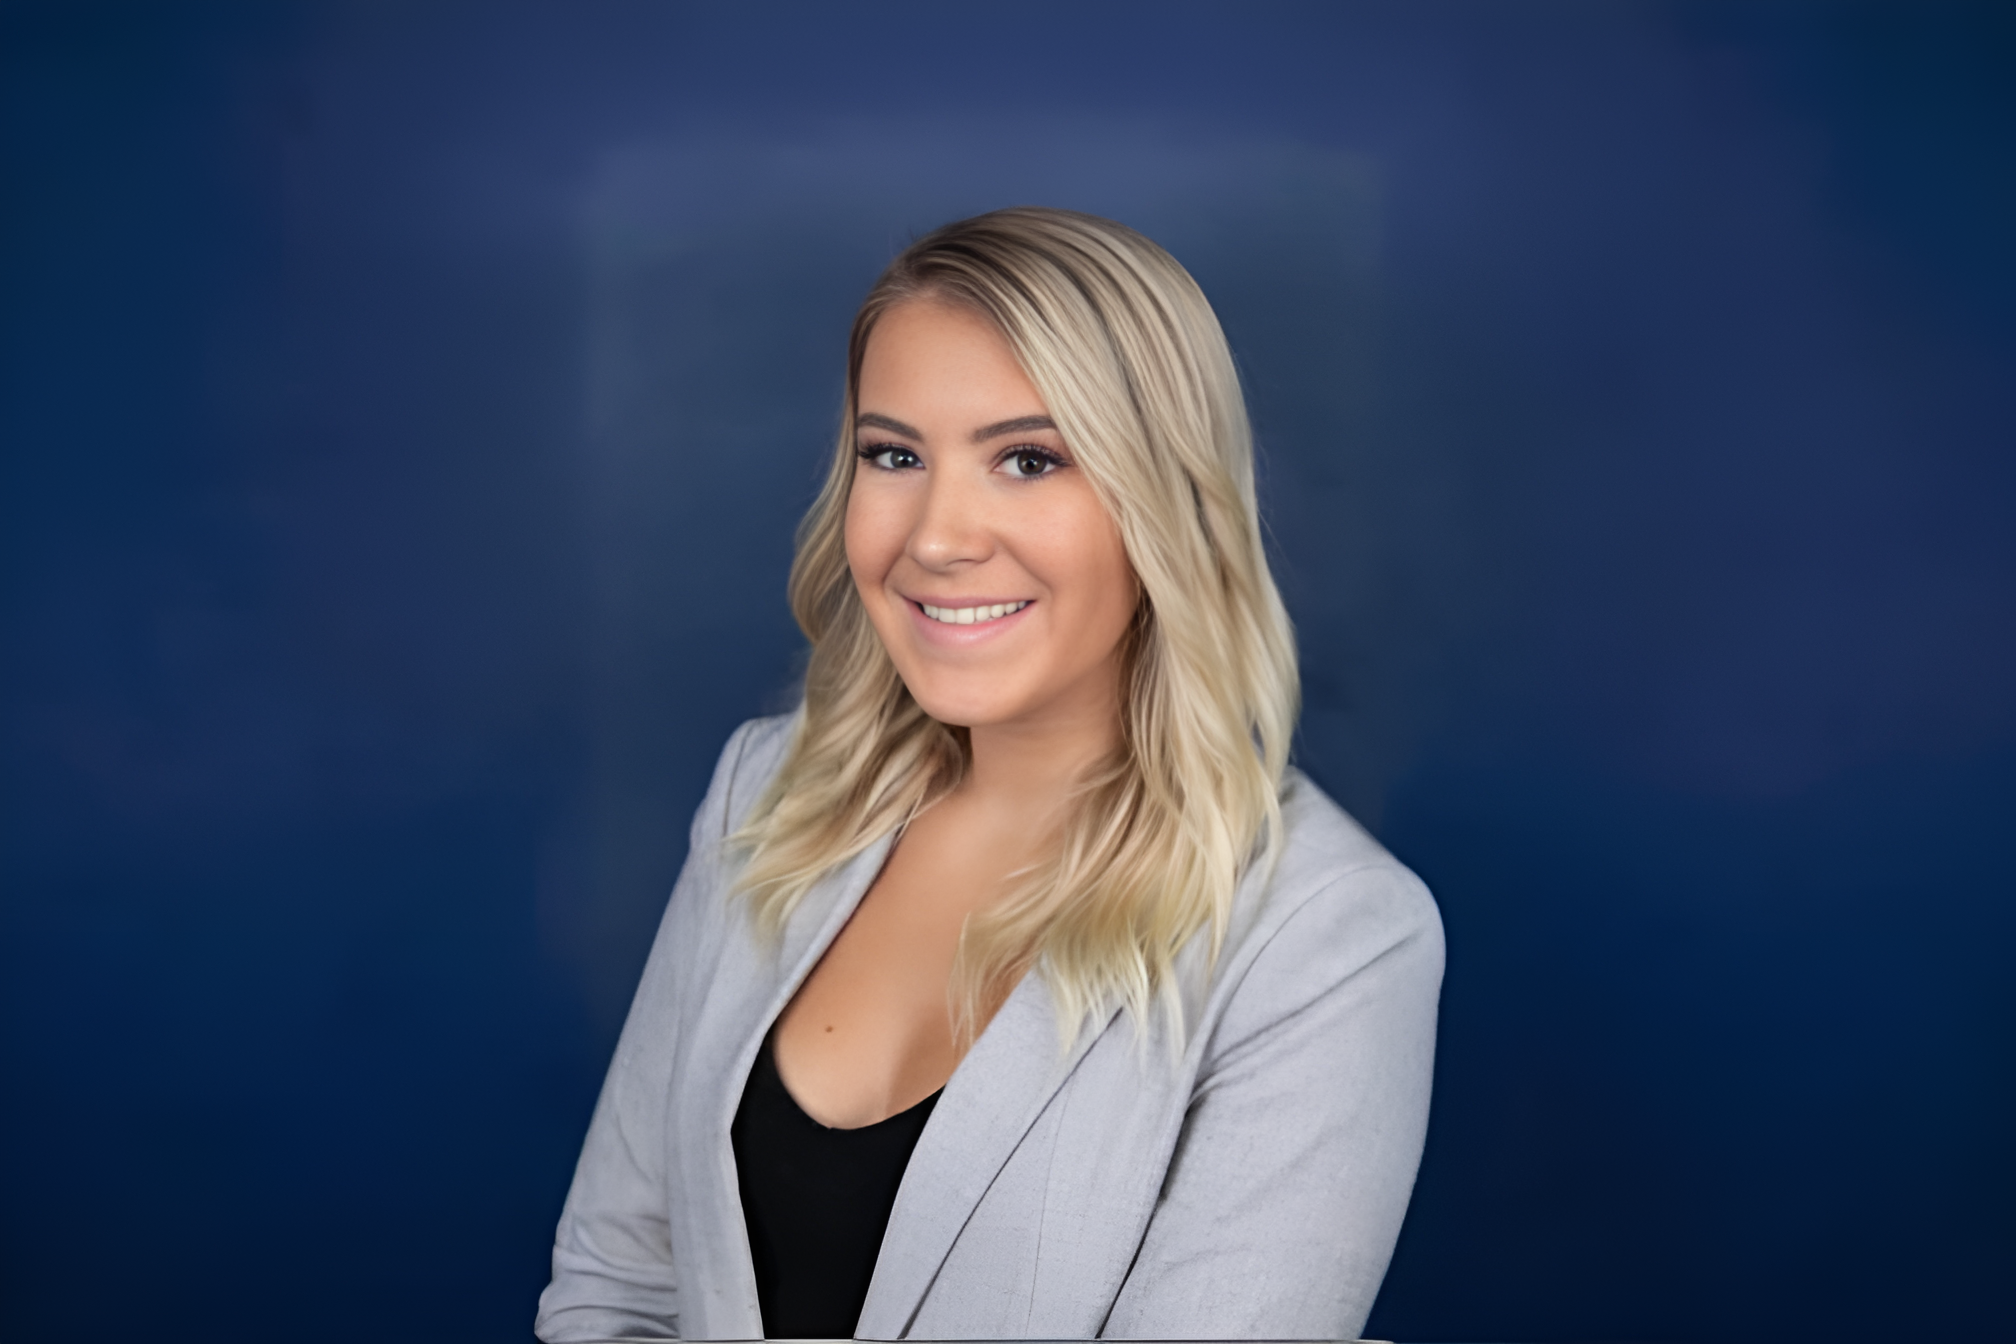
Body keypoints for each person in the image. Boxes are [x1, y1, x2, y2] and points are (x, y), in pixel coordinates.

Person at [535, 207, 1443, 1342]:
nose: (937, 537)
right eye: (894, 456)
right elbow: (618, 1285)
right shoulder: (767, 794)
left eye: (1029, 460)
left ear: (1165, 502)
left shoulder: (1329, 938)